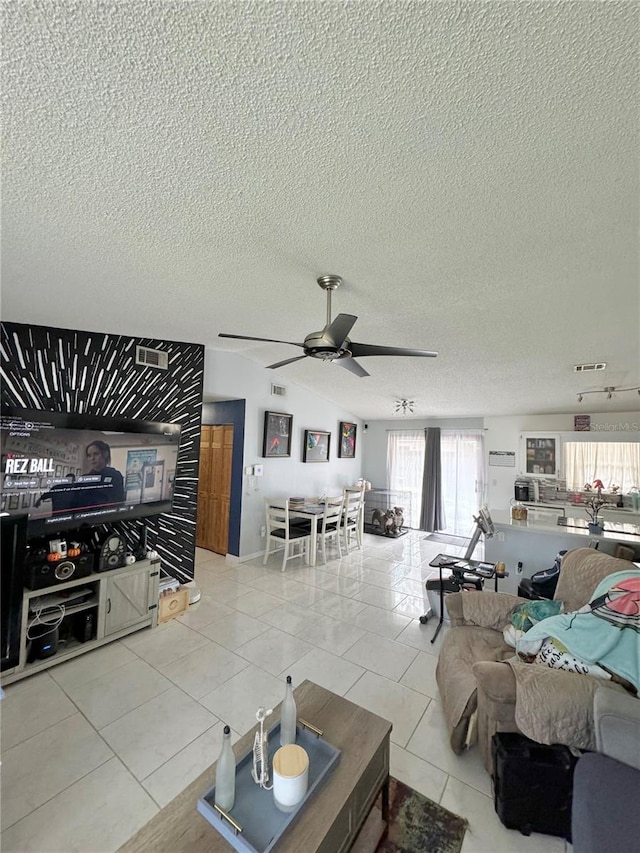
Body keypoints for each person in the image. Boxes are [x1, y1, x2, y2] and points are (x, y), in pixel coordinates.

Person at [75, 440, 125, 509]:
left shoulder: (115, 475)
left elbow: (118, 500)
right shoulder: (83, 479)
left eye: (96, 454)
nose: (92, 458)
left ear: (105, 454)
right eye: (89, 455)